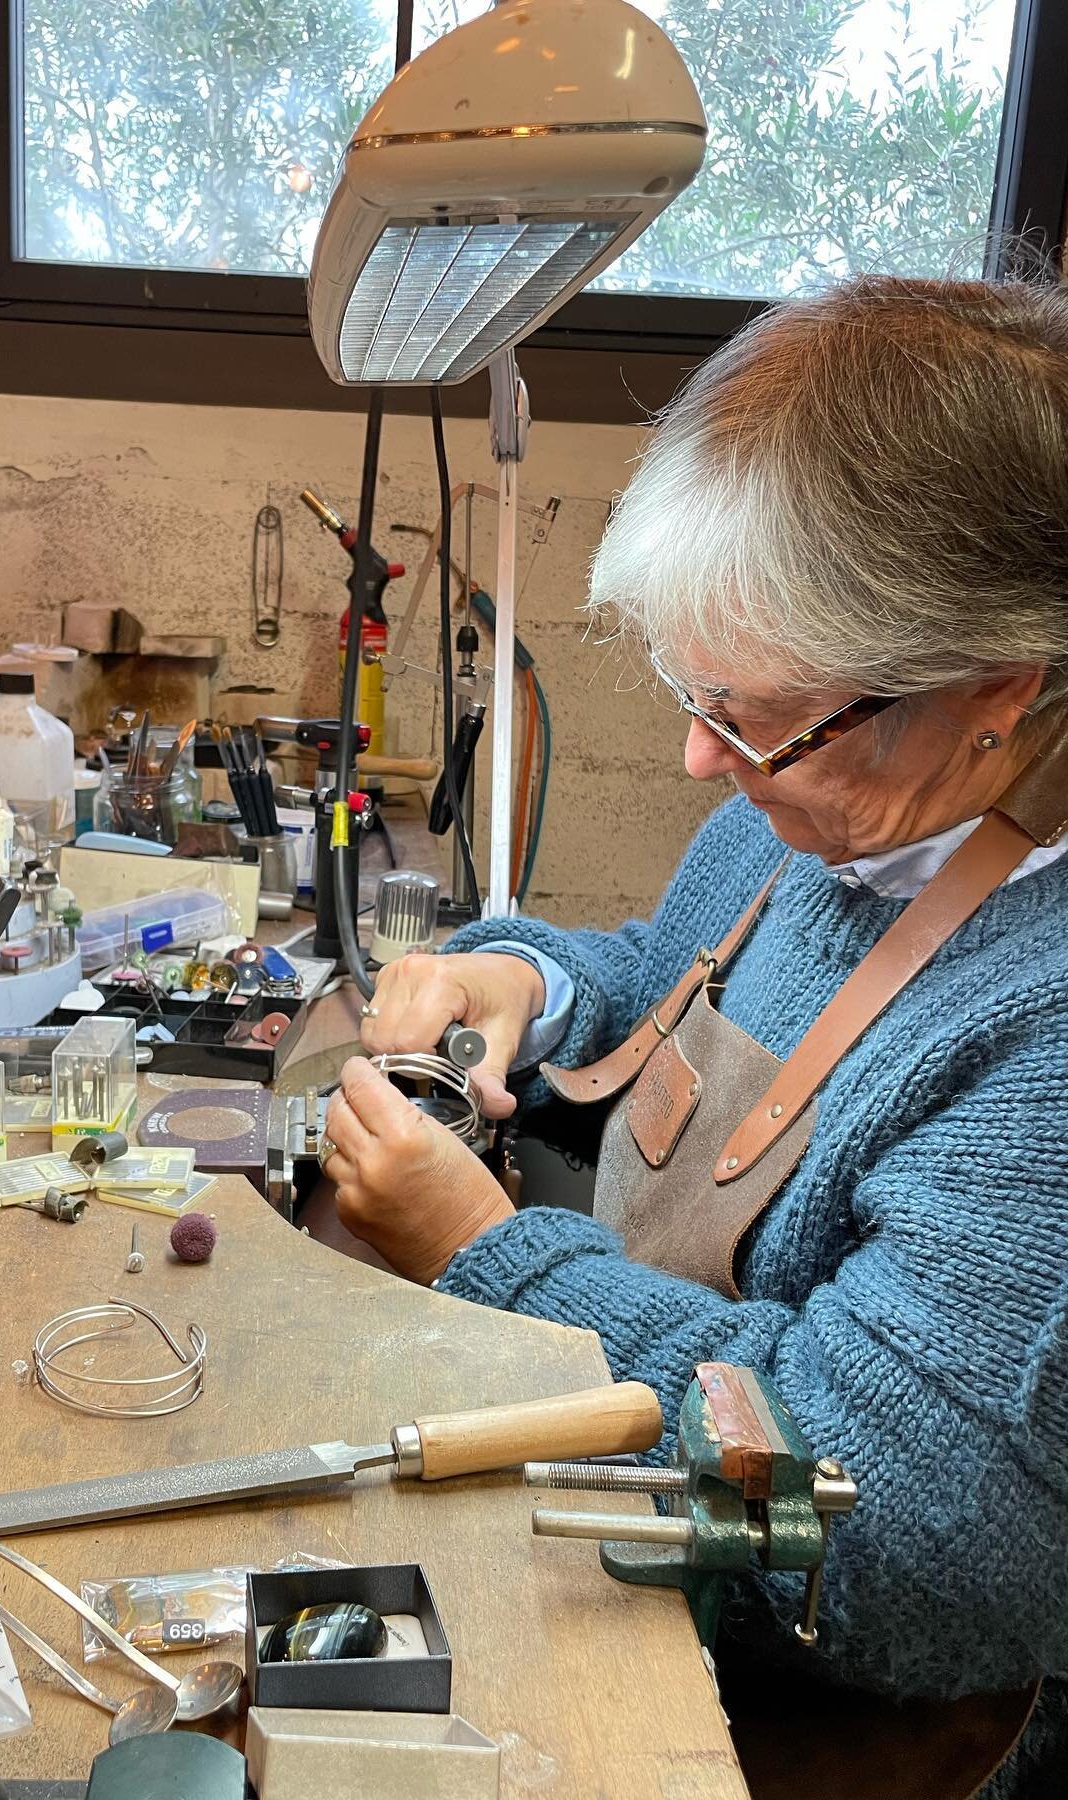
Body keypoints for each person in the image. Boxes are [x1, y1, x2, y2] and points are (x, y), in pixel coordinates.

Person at [318, 277, 1068, 1795]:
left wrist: (491, 1260)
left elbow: (906, 1544)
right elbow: (663, 972)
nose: (694, 756)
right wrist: (525, 986)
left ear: (994, 692)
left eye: (749, 718)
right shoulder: (836, 816)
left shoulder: (1042, 1036)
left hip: (827, 1721)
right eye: (692, 692)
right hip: (636, 1569)